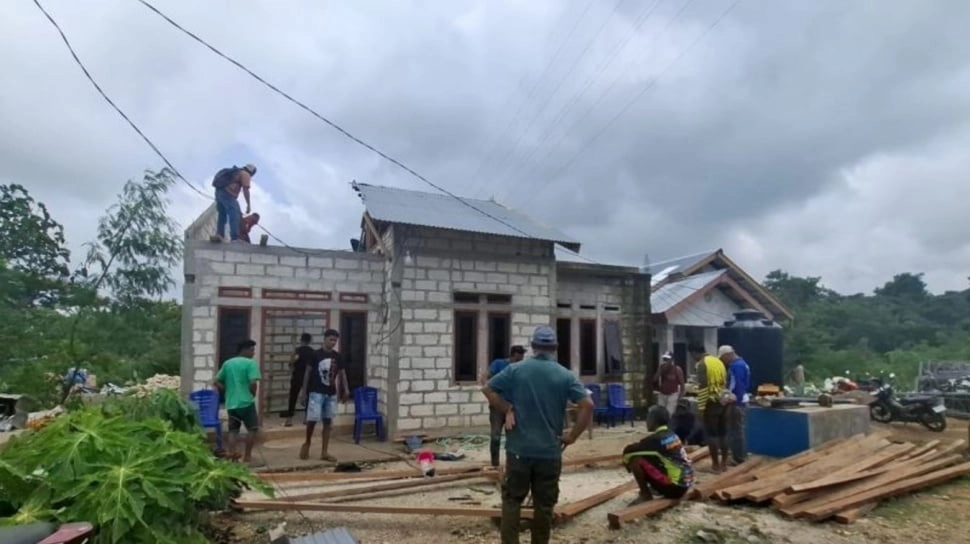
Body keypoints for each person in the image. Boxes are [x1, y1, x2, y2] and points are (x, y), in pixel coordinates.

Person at [482, 326, 594, 544]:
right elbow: (587, 405)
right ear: (555, 348)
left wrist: (507, 409)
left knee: (512, 501)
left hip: (518, 452)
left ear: (533, 347)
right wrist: (572, 436)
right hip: (549, 453)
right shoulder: (565, 375)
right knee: (544, 506)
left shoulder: (516, 370)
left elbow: (487, 389)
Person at [621, 405, 694, 504]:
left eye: (648, 417)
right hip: (686, 483)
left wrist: (627, 464)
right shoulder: (672, 434)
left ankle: (645, 494)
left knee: (636, 460)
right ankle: (656, 487)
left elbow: (628, 451)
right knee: (655, 457)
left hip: (674, 488)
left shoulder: (654, 440)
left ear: (653, 420)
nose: (646, 421)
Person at [298, 329, 350, 461]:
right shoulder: (315, 355)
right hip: (316, 392)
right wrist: (304, 392)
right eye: (331, 339)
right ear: (325, 339)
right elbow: (307, 373)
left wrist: (346, 390)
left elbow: (342, 373)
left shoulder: (337, 356)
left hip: (331, 393)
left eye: (335, 340)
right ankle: (307, 442)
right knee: (312, 420)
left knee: (328, 422)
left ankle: (324, 452)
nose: (333, 342)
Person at [213, 339, 262, 466]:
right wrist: (253, 394)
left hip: (231, 404)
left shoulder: (228, 363)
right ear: (245, 350)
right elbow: (253, 383)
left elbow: (217, 381)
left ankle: (232, 457)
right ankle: (247, 457)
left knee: (233, 431)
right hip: (246, 403)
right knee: (252, 428)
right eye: (252, 350)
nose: (253, 353)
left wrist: (226, 390)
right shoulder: (250, 364)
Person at [479, 345, 527, 467]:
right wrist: (490, 392)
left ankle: (511, 464)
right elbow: (485, 377)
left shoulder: (521, 368)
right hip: (498, 406)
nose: (522, 358)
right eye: (520, 356)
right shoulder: (499, 364)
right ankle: (495, 464)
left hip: (513, 408)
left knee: (513, 438)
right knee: (495, 436)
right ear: (514, 355)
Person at [688, 343, 728, 473]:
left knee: (712, 434)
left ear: (694, 353)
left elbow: (703, 387)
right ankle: (724, 464)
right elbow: (724, 381)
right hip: (722, 400)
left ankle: (715, 465)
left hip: (710, 402)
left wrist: (701, 408)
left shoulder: (702, 364)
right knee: (723, 433)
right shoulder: (718, 361)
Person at [719, 345, 751, 465]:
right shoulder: (743, 364)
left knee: (736, 431)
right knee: (739, 430)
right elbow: (745, 384)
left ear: (728, 355)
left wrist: (729, 397)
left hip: (737, 402)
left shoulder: (735, 366)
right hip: (743, 399)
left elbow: (735, 385)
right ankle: (741, 455)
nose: (723, 361)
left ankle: (738, 457)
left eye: (723, 358)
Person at [210, 163, 256, 243]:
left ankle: (219, 235)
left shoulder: (237, 172)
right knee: (234, 214)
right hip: (228, 194)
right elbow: (246, 190)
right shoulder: (245, 174)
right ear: (252, 172)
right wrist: (248, 205)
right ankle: (235, 238)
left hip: (219, 193)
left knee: (222, 215)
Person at [283, 333, 316, 427]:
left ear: (301, 340)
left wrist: (291, 364)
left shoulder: (298, 350)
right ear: (310, 341)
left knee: (293, 396)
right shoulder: (312, 351)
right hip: (309, 376)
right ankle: (306, 418)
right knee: (309, 397)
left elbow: (293, 361)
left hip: (297, 375)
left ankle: (289, 419)